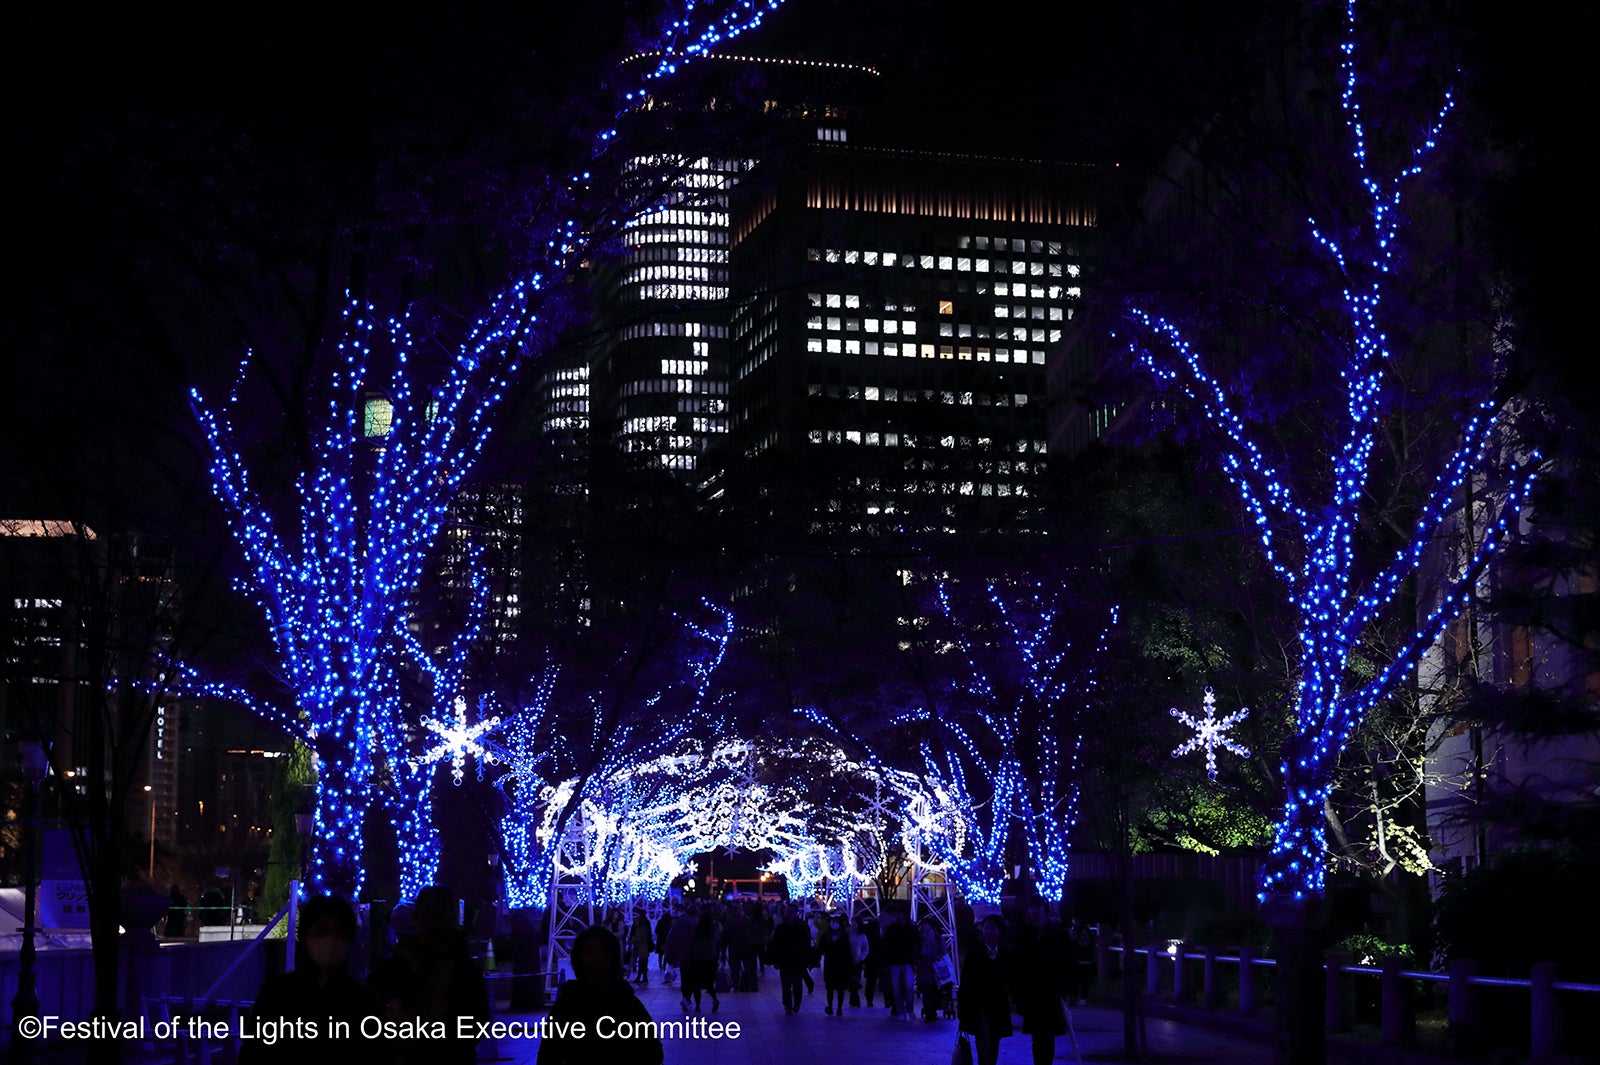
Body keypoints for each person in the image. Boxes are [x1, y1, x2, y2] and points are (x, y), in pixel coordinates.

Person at [240, 895, 384, 1064]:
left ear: (349, 939)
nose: (330, 939)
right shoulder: (277, 993)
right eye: (321, 931)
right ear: (305, 937)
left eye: (338, 932)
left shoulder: (365, 1001)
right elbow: (251, 1052)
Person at [375, 885, 490, 1065]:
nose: (434, 921)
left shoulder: (465, 969)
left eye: (440, 912)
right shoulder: (397, 965)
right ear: (417, 917)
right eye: (429, 912)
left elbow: (477, 1023)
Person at [536, 925, 664, 1065]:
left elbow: (652, 1050)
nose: (597, 958)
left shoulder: (626, 1001)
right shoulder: (567, 1005)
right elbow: (548, 1054)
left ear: (612, 957)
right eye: (589, 951)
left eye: (603, 951)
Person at [1009, 897, 1070, 1065]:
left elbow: (1067, 960)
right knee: (1038, 1036)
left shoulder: (1057, 932)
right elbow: (1017, 963)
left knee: (1047, 1036)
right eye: (1031, 908)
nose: (1034, 911)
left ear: (1044, 909)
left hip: (1051, 991)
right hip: (1033, 993)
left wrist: (1065, 988)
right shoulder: (1025, 934)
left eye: (1037, 908)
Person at [958, 916, 1013, 1065]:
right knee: (983, 1039)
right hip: (979, 1005)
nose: (989, 931)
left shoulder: (1005, 953)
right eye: (986, 927)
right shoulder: (975, 951)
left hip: (998, 1005)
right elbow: (966, 979)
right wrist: (962, 1008)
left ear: (999, 931)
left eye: (993, 928)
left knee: (994, 1042)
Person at [765, 905, 812, 1015]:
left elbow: (806, 944)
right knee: (787, 985)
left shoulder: (800, 927)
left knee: (796, 985)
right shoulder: (783, 928)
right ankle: (789, 1004)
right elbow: (775, 944)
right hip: (787, 960)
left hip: (795, 960)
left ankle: (795, 1003)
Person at [880, 909, 920, 1020]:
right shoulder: (898, 929)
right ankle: (904, 1010)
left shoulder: (907, 929)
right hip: (899, 962)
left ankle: (906, 1010)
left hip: (904, 962)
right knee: (901, 987)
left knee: (905, 987)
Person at [680, 913, 721, 1013]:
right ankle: (715, 999)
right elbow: (718, 944)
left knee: (696, 984)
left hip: (697, 959)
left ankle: (697, 1006)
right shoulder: (713, 931)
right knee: (709, 983)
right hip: (710, 960)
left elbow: (691, 946)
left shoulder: (697, 932)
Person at [819, 913, 855, 1015]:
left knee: (838, 988)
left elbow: (848, 953)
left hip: (838, 964)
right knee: (832, 987)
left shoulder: (841, 936)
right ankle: (832, 1007)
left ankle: (837, 1008)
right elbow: (820, 949)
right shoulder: (829, 935)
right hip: (833, 964)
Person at [915, 915, 946, 1021]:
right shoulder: (935, 938)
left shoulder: (933, 938)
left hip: (930, 967)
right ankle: (931, 1010)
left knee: (928, 990)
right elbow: (943, 953)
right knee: (929, 990)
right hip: (929, 967)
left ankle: (930, 1010)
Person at [848, 917, 870, 1008]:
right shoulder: (848, 935)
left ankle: (854, 1000)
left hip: (857, 961)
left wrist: (862, 957)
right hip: (849, 961)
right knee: (851, 980)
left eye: (855, 923)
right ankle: (854, 1000)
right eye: (852, 923)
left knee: (855, 980)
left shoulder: (862, 936)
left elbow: (866, 949)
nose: (853, 925)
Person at [628, 910, 654, 984]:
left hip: (638, 944)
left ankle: (639, 976)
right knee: (644, 961)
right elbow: (649, 934)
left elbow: (632, 931)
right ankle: (644, 976)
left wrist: (630, 939)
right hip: (645, 944)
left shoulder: (636, 922)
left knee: (640, 961)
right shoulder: (646, 922)